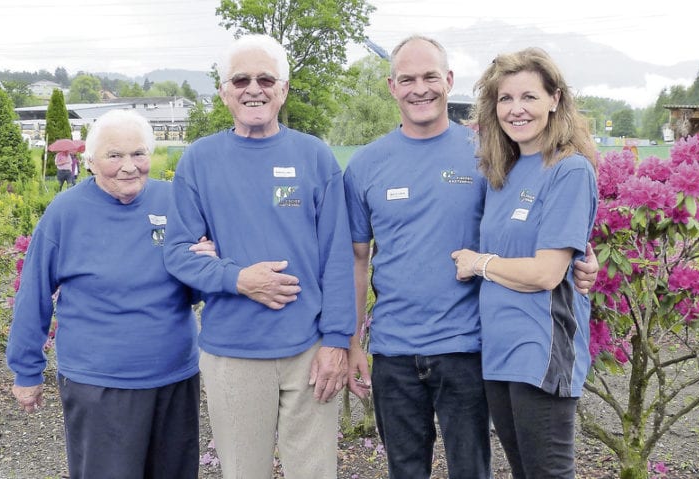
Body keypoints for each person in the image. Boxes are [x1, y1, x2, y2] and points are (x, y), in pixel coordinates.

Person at [343, 36, 598, 479]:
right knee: (405, 470)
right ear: (391, 86)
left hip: (469, 348)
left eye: (429, 77)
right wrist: (351, 343)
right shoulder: (369, 165)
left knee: (475, 470)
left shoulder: (487, 157)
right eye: (407, 79)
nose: (419, 88)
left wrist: (581, 259)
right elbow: (356, 258)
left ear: (449, 81)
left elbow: (543, 229)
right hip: (395, 350)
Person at [162, 34, 356, 479]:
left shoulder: (315, 156)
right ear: (224, 91)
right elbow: (177, 253)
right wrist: (238, 278)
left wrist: (336, 341)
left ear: (283, 88)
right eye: (242, 79)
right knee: (243, 472)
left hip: (309, 351)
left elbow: (337, 258)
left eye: (266, 78)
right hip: (233, 354)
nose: (255, 88)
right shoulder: (199, 160)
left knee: (314, 472)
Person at [6, 109, 215, 479]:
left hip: (174, 378)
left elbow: (195, 292)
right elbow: (34, 293)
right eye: (114, 156)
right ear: (89, 161)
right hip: (99, 383)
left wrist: (206, 265)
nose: (129, 166)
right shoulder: (65, 213)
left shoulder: (175, 203)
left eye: (138, 154)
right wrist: (26, 370)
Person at [451, 48, 599, 479]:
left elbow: (545, 273)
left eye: (529, 97)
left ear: (555, 99)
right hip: (499, 350)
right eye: (505, 99)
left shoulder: (569, 169)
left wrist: (480, 263)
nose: (516, 109)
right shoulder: (505, 172)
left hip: (542, 349)